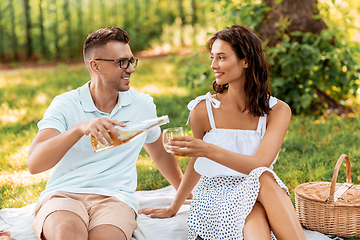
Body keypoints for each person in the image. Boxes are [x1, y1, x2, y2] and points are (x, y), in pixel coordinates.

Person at [139, 25, 306, 240]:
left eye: (221, 58)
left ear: (245, 61)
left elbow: (261, 163)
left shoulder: (277, 110)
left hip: (257, 192)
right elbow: (196, 163)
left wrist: (208, 149)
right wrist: (174, 206)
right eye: (212, 57)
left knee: (260, 189)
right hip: (214, 194)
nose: (214, 65)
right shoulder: (203, 110)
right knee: (262, 185)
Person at [27, 26, 185, 240]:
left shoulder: (143, 105)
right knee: (67, 234)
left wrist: (184, 193)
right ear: (95, 66)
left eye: (131, 61)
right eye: (122, 62)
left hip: (115, 199)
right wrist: (79, 129)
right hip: (65, 195)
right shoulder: (65, 104)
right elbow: (35, 164)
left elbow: (159, 154)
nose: (131, 69)